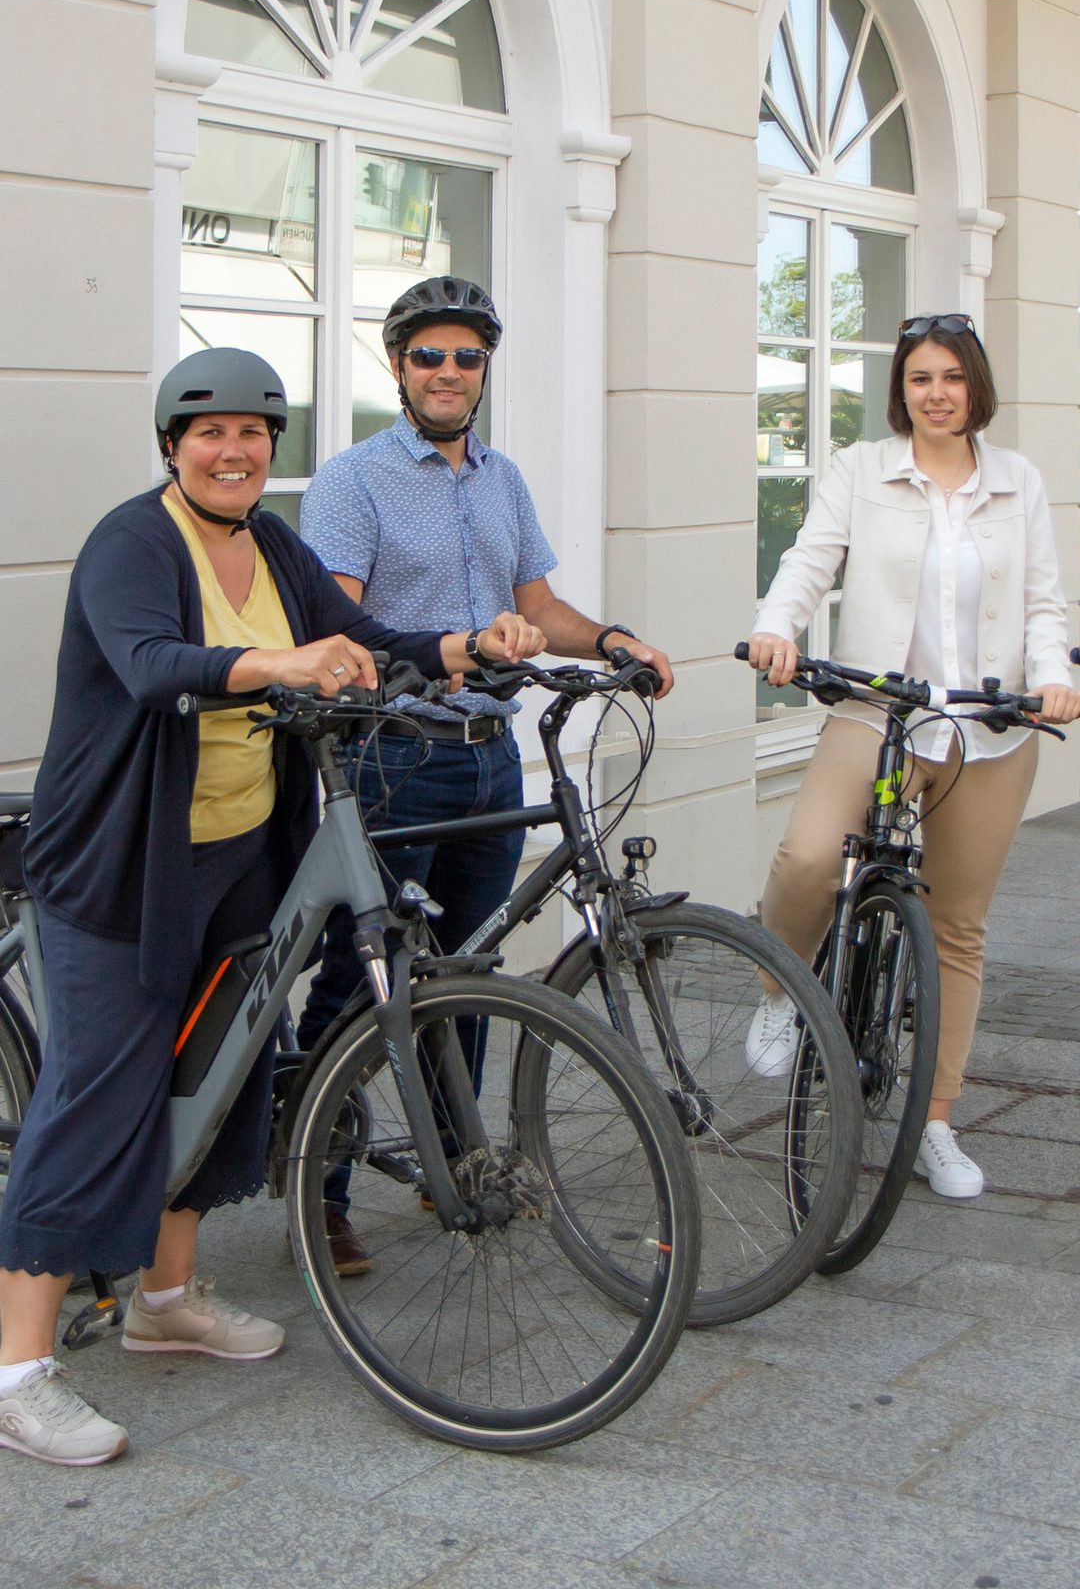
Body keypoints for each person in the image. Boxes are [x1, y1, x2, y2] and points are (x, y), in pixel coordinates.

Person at [0, 347, 543, 1466]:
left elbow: (374, 638)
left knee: (223, 1065)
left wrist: (462, 646)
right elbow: (155, 665)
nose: (235, 450)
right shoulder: (132, 541)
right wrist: (282, 664)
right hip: (121, 864)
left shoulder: (269, 542)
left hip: (241, 850)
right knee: (100, 1094)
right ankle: (18, 1370)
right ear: (172, 445)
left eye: (254, 433)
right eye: (211, 433)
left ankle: (164, 1301)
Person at [299, 275, 674, 1270]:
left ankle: (454, 1165)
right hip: (392, 758)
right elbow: (334, 629)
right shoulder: (354, 480)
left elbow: (537, 608)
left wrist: (611, 639)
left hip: (486, 761)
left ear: (483, 373)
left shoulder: (501, 478)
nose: (450, 374)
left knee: (465, 972)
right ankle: (320, 1189)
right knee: (359, 975)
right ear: (397, 367)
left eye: (468, 358)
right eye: (431, 356)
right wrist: (463, 644)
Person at [746, 311, 1080, 1199]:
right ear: (901, 389)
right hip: (878, 711)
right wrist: (777, 628)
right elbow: (809, 561)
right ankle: (781, 991)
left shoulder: (1017, 481)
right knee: (811, 854)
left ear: (977, 387)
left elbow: (1047, 601)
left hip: (990, 728)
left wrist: (1052, 676)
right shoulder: (861, 471)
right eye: (921, 378)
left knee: (959, 928)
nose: (937, 394)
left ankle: (935, 1119)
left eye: (953, 378)